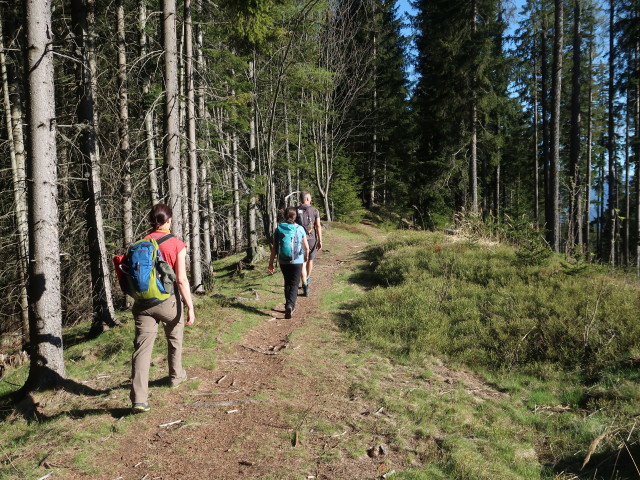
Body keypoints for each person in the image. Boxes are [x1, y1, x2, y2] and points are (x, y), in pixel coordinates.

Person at [130, 203, 195, 413]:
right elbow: (182, 280)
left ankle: (139, 399)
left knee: (142, 349)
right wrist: (190, 307)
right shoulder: (176, 244)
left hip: (142, 303)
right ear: (169, 221)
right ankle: (176, 376)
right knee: (174, 336)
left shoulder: (141, 243)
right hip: (167, 301)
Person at [268, 206, 310, 319]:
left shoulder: (279, 228)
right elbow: (306, 247)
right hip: (297, 260)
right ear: (295, 216)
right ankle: (291, 305)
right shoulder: (300, 229)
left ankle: (288, 304)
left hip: (283, 260)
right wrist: (306, 256)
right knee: (295, 283)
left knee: (287, 282)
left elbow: (274, 248)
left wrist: (271, 263)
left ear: (285, 215)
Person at [296, 191, 322, 296]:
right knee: (310, 260)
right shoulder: (315, 210)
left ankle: (304, 282)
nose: (311, 200)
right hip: (311, 239)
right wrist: (320, 240)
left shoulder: (295, 210)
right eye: (310, 198)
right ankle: (306, 279)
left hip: (299, 239)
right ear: (306, 199)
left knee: (302, 261)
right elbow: (318, 226)